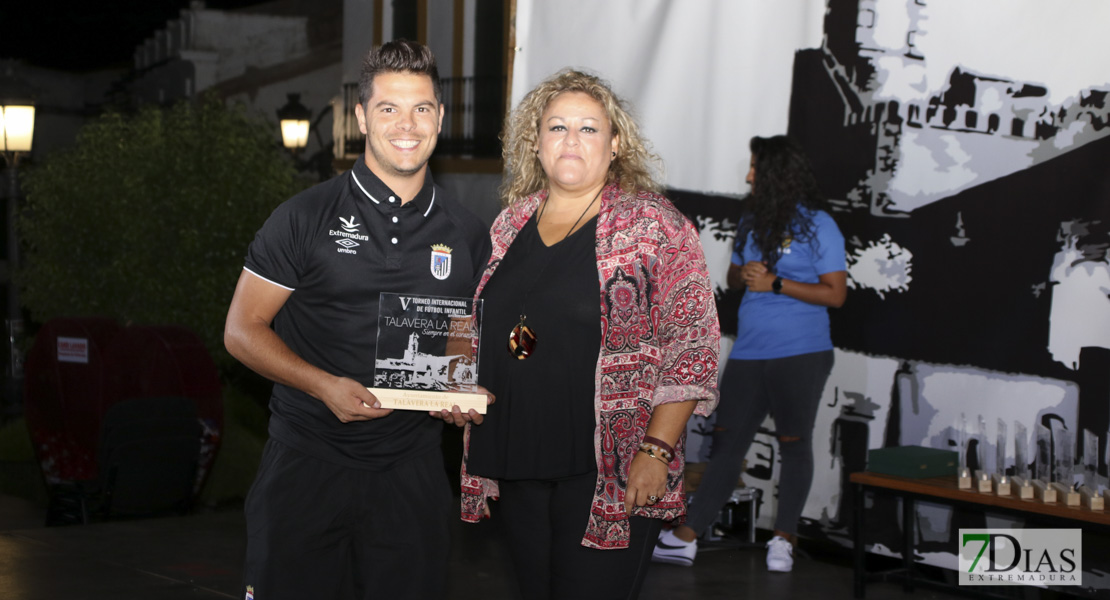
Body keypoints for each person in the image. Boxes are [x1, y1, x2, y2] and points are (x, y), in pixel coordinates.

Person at [223, 39, 491, 599]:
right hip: (306, 461)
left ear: (440, 117)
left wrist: (457, 394)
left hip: (412, 473)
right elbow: (241, 331)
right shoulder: (303, 216)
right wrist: (323, 386)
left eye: (421, 108)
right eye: (389, 108)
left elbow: (458, 340)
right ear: (363, 116)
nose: (407, 124)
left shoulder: (466, 232)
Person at [459, 69, 720, 600]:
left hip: (612, 466)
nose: (571, 140)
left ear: (616, 143)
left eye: (588, 128)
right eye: (557, 128)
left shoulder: (656, 225)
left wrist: (656, 449)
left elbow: (691, 346)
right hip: (517, 457)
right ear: (536, 143)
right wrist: (455, 380)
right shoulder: (509, 225)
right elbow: (473, 322)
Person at [652, 135, 847, 573]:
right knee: (726, 445)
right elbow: (735, 276)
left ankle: (784, 539)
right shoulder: (753, 219)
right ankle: (687, 537)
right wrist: (747, 273)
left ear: (777, 173)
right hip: (749, 352)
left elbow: (836, 294)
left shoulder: (820, 225)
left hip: (801, 352)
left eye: (756, 168)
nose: (748, 175)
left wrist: (777, 283)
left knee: (794, 445)